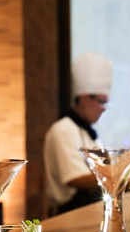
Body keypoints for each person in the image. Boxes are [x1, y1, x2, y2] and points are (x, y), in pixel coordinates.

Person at [43, 52, 112, 214]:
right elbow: (74, 178)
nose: (103, 109)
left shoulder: (90, 133)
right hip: (68, 213)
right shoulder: (63, 129)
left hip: (90, 209)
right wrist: (115, 174)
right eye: (101, 101)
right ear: (84, 98)